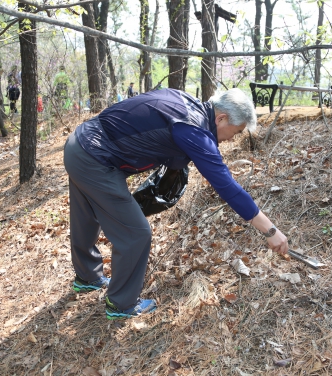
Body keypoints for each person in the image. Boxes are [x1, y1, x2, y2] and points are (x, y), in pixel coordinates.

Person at [63, 88, 288, 319]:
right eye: (237, 131)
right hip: (95, 158)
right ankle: (120, 304)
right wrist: (270, 230)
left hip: (79, 144)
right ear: (221, 118)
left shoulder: (186, 101)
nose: (234, 137)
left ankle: (87, 277)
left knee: (85, 213)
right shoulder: (194, 130)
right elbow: (227, 187)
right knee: (137, 234)